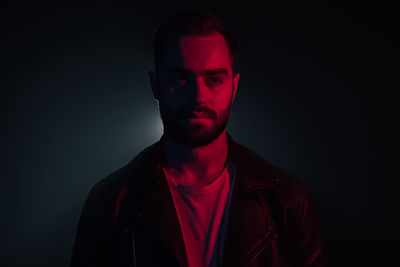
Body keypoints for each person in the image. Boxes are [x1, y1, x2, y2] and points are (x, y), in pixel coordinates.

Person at [70, 9, 326, 267]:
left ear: (233, 88)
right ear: (155, 86)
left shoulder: (287, 199)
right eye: (181, 78)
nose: (198, 97)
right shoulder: (110, 201)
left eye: (214, 79)